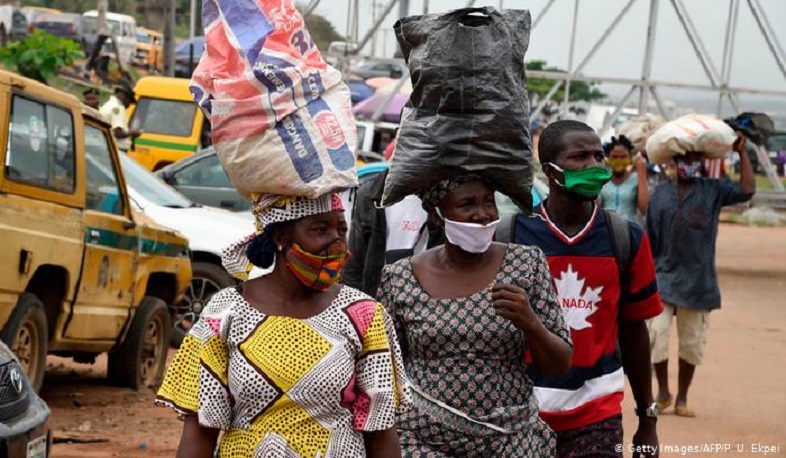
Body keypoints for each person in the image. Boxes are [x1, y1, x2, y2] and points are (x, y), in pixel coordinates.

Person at [156, 193, 412, 457]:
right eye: (320, 229)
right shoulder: (225, 312)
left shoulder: (364, 314)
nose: (336, 241)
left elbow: (380, 430)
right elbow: (201, 430)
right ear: (280, 237)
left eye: (341, 230)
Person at [378, 175, 573, 456]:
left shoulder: (526, 264)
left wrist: (530, 323)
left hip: (511, 442)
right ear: (437, 215)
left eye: (488, 202)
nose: (482, 214)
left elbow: (560, 365)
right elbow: (383, 371)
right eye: (467, 204)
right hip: (422, 442)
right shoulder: (399, 278)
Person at [506, 120, 663, 457]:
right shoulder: (513, 237)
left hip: (597, 413)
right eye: (580, 157)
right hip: (520, 412)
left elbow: (634, 332)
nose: (594, 166)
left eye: (597, 156)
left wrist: (647, 419)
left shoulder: (626, 239)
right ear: (551, 170)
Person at [645, 135, 755, 418]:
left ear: (702, 162)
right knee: (656, 335)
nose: (688, 164)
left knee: (691, 343)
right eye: (684, 159)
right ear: (674, 161)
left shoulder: (712, 190)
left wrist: (742, 153)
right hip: (663, 276)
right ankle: (663, 393)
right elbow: (650, 236)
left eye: (694, 159)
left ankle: (682, 396)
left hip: (698, 281)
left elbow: (747, 190)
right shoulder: (661, 194)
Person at [343, 169, 443, 296]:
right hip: (377, 298)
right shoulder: (371, 193)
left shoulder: (442, 195)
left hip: (424, 298)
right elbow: (354, 265)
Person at [600, 135, 649, 223]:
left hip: (629, 228)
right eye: (615, 157)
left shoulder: (636, 179)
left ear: (630, 159)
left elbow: (643, 209)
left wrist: (642, 173)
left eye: (623, 157)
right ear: (608, 159)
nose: (619, 160)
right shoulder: (602, 179)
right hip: (606, 228)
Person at [99, 86, 141, 153]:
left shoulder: (107, 105)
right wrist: (132, 132)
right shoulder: (118, 108)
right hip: (116, 149)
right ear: (124, 97)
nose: (128, 106)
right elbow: (118, 133)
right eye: (129, 102)